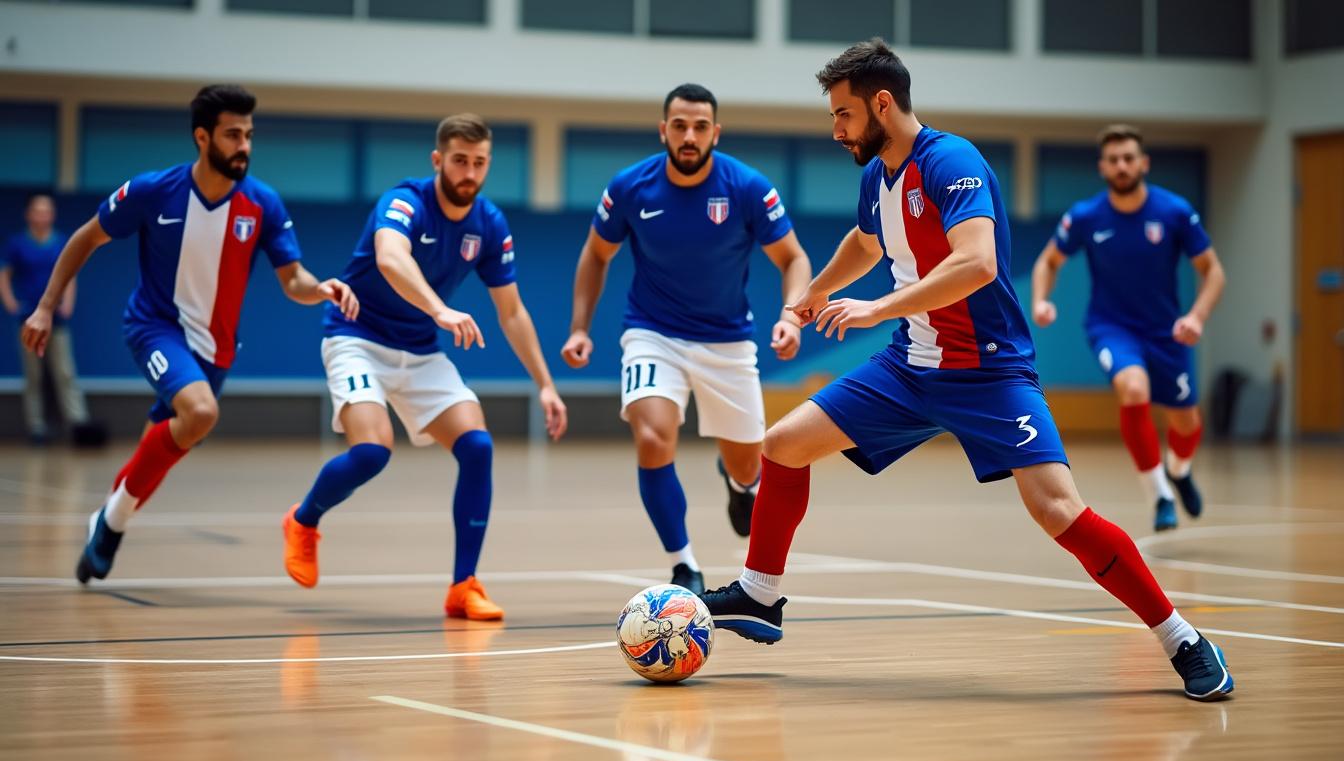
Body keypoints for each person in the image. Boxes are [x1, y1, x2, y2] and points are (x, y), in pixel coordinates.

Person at [698, 40, 1233, 702]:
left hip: (989, 373)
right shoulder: (878, 176)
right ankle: (760, 595)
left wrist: (876, 309)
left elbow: (976, 262)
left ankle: (1182, 637)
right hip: (909, 366)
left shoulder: (952, 161)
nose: (835, 129)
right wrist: (810, 299)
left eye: (843, 114)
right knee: (783, 446)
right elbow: (865, 243)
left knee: (1058, 509)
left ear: (882, 105)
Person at [20, 84, 358, 584]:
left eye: (248, 134)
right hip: (154, 327)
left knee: (153, 457)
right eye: (232, 134)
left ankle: (107, 518)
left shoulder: (261, 203)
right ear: (203, 137)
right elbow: (85, 237)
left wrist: (323, 289)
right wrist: (46, 307)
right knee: (200, 412)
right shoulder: (154, 191)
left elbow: (294, 280)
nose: (244, 145)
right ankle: (112, 527)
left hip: (215, 350)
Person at [281, 114, 567, 621]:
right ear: (438, 160)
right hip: (356, 337)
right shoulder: (404, 201)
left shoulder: (489, 223)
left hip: (418, 352)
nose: (469, 173)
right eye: (459, 161)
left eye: (480, 163)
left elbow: (512, 311)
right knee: (371, 452)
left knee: (477, 446)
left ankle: (463, 586)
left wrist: (545, 385)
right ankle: (304, 520)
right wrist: (439, 310)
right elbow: (391, 259)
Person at [561, 84, 812, 594]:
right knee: (652, 437)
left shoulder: (747, 187)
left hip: (728, 341)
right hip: (653, 333)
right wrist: (580, 328)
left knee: (749, 463)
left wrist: (790, 315)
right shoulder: (631, 188)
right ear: (664, 130)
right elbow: (595, 255)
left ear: (715, 132)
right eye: (680, 126)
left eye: (700, 127)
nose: (690, 136)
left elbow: (794, 258)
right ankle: (684, 566)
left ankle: (738, 480)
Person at [1031, 124, 1225, 531]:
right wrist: (1041, 300)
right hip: (1111, 327)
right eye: (1114, 160)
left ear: (1143, 163)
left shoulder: (1174, 212)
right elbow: (1048, 261)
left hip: (1167, 331)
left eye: (1129, 158)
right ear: (1103, 167)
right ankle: (1160, 496)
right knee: (1134, 388)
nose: (1122, 166)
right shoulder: (1086, 216)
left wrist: (1196, 317)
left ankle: (1180, 469)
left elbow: (1213, 271)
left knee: (1186, 421)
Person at [1, 193, 101, 445]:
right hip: (28, 318)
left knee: (65, 371)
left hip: (57, 320)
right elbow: (5, 274)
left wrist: (67, 303)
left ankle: (78, 425)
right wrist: (12, 303)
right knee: (33, 375)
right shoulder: (17, 244)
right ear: (29, 214)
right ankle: (36, 427)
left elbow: (70, 272)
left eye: (47, 211)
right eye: (38, 210)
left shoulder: (61, 242)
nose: (43, 215)